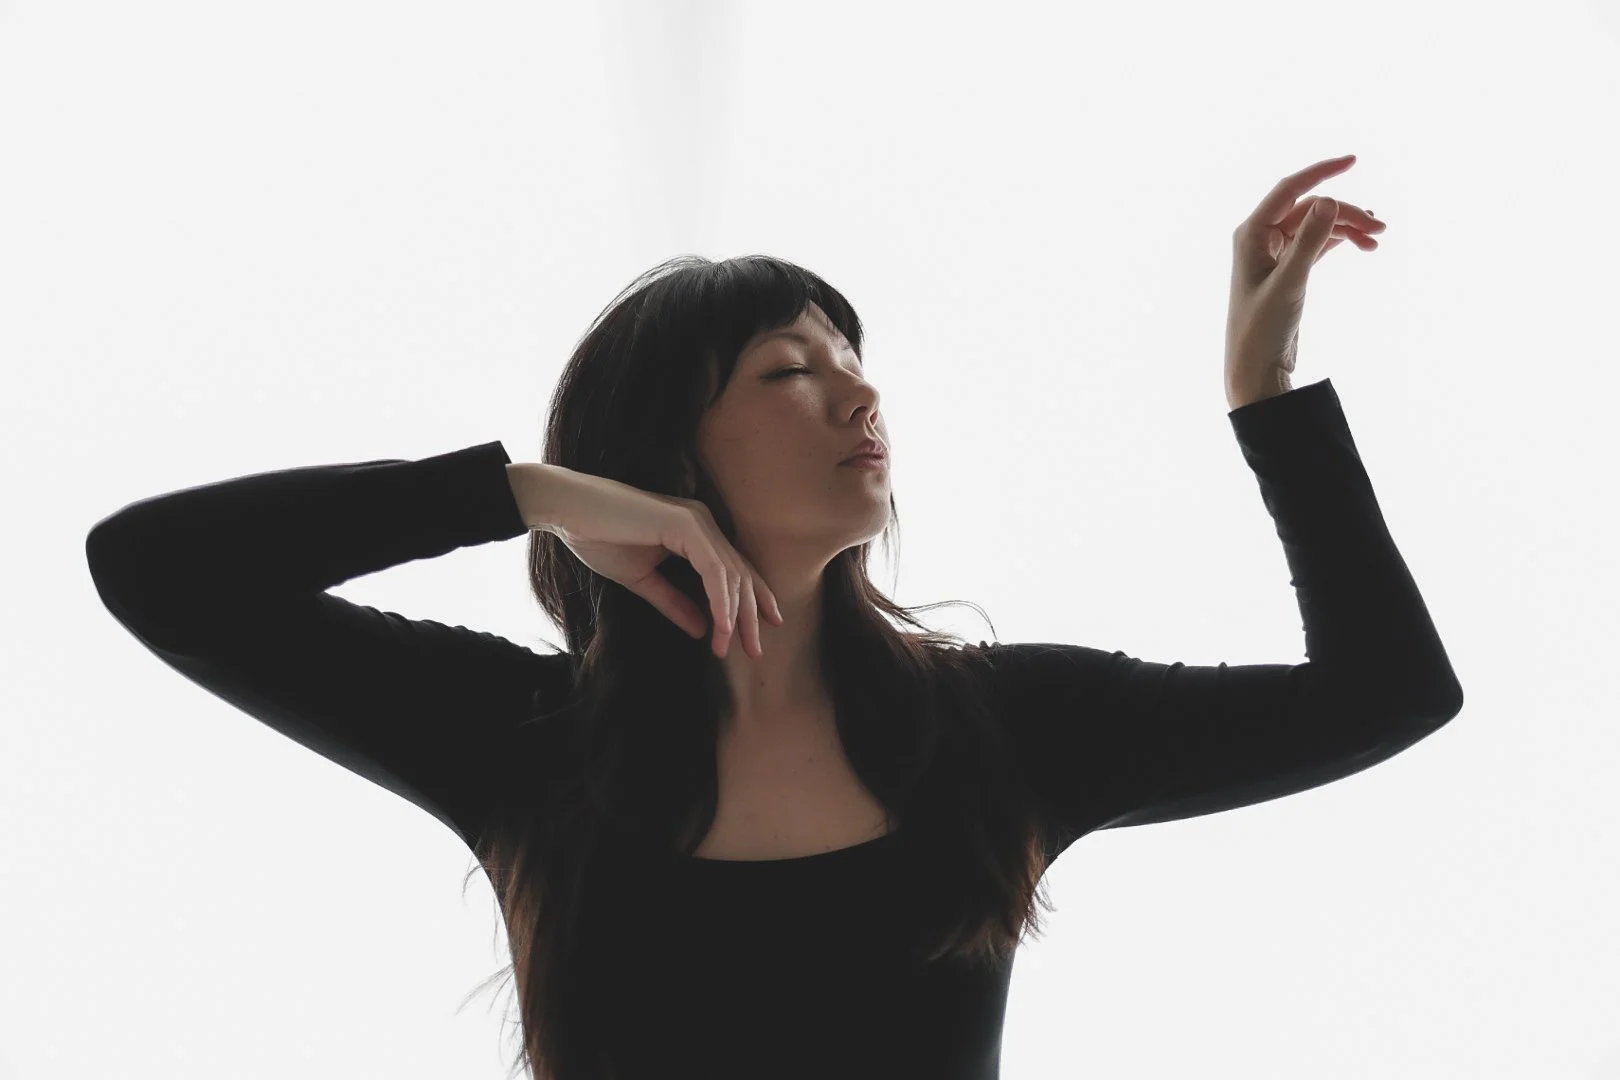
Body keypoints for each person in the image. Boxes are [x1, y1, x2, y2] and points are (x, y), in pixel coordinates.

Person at [87, 253, 1462, 1080]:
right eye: (788, 369)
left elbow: (1387, 694)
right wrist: (519, 492)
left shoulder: (1013, 727)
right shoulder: (521, 739)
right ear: (662, 454)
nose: (861, 394)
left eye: (853, 358)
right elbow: (156, 570)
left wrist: (1271, 400)